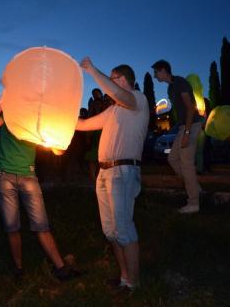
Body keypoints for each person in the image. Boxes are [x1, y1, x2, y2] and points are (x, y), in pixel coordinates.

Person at [0, 98, 81, 281]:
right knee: (12, 227)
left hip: (29, 176)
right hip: (5, 176)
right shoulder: (8, 113)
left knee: (41, 225)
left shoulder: (38, 120)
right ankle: (19, 269)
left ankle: (60, 268)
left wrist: (58, 143)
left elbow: (57, 150)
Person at [75, 57, 149, 291]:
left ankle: (134, 284)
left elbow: (122, 96)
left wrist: (93, 71)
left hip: (123, 171)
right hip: (104, 173)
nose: (108, 84)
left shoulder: (138, 99)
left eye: (112, 79)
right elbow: (84, 124)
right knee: (111, 231)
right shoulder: (113, 110)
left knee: (124, 228)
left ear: (123, 80)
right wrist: (56, 114)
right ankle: (124, 278)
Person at [152, 60, 202, 213]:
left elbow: (190, 108)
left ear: (163, 70)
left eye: (156, 72)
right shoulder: (170, 88)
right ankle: (195, 188)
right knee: (172, 158)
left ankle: (193, 203)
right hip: (183, 127)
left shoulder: (180, 82)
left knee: (186, 164)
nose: (154, 76)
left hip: (191, 125)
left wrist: (187, 133)